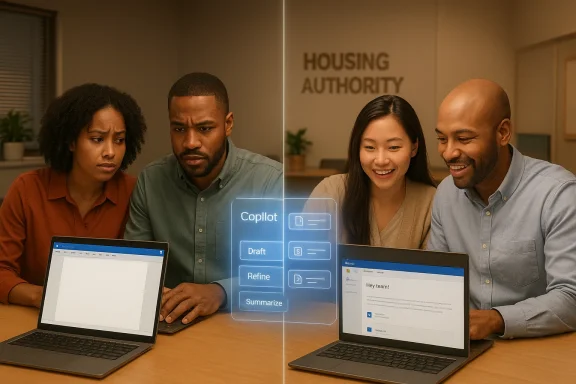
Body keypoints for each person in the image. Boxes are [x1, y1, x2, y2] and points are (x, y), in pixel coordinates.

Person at [124, 72, 282, 325]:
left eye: (204, 128)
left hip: (244, 322)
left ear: (228, 124)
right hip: (171, 322)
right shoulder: (151, 180)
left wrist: (220, 292)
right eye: (179, 129)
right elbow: (135, 263)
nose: (190, 142)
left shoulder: (268, 180)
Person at [428, 78, 576, 340]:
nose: (449, 153)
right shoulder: (446, 195)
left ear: (503, 133)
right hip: (466, 348)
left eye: (463, 138)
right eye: (442, 139)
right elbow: (437, 283)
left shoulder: (557, 194)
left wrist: (497, 319)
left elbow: (570, 297)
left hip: (536, 349)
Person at [0, 83, 147, 308]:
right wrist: (41, 297)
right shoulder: (27, 189)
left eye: (119, 140)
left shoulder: (134, 191)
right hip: (33, 318)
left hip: (107, 314)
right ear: (70, 142)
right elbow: (2, 271)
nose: (110, 152)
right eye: (97, 139)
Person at [305, 95, 436, 249]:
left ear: (414, 147)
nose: (381, 160)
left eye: (393, 147)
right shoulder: (330, 193)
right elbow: (302, 261)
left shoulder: (430, 202)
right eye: (369, 147)